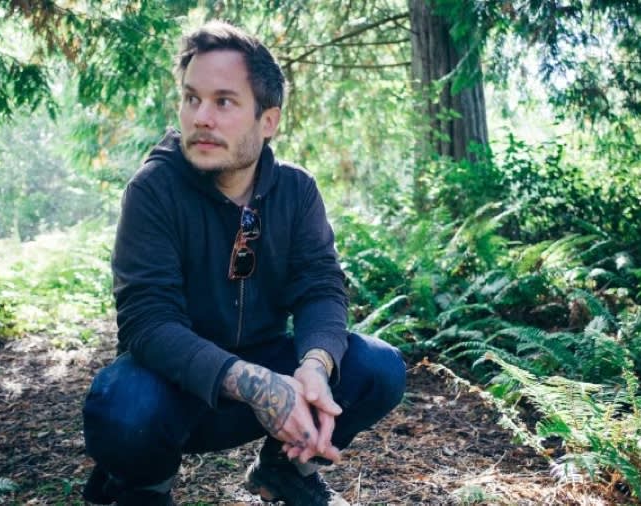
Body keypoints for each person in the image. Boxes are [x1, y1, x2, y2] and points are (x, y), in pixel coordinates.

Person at [80, 21, 407, 506]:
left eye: (224, 102)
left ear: (268, 121)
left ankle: (284, 471)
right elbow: (147, 324)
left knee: (378, 367)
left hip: (269, 365)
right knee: (122, 404)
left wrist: (315, 367)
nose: (201, 118)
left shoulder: (296, 191)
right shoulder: (153, 190)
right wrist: (256, 385)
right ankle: (141, 487)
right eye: (192, 99)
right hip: (176, 388)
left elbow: (320, 287)